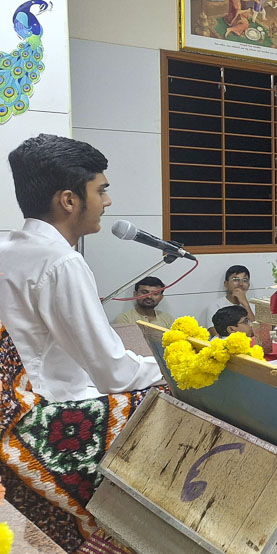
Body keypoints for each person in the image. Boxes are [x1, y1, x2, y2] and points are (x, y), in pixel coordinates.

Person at [1, 134, 166, 542]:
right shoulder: (61, 262)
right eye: (101, 190)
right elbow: (114, 373)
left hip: (8, 409)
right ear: (69, 200)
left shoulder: (6, 246)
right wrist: (175, 366)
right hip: (45, 416)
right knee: (170, 401)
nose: (108, 202)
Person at [202, 265, 255, 335]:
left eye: (245, 280)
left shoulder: (253, 306)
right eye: (235, 279)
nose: (241, 284)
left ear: (248, 285)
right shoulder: (216, 306)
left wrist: (245, 304)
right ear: (226, 284)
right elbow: (216, 334)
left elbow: (257, 332)